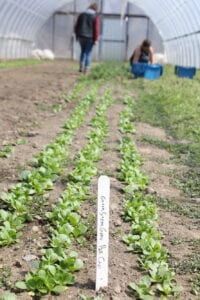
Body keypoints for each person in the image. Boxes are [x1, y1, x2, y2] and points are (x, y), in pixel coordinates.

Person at [74, 3, 99, 74]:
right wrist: (96, 39)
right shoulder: (95, 17)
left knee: (82, 51)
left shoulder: (81, 15)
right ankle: (86, 68)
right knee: (88, 53)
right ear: (95, 9)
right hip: (90, 37)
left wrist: (77, 36)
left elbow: (76, 26)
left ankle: (81, 67)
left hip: (81, 36)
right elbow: (96, 29)